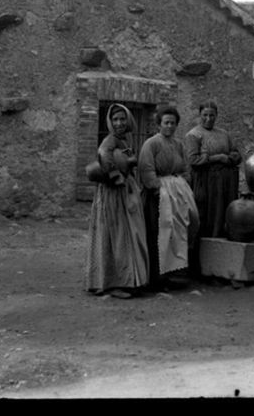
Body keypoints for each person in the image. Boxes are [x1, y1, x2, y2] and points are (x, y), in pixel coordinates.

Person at [86, 103, 149, 300]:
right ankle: (112, 283)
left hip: (123, 193)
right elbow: (104, 155)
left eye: (122, 119)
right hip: (113, 194)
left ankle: (123, 279)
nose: (119, 123)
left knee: (125, 234)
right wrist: (116, 175)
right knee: (115, 234)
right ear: (110, 122)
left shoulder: (124, 139)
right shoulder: (110, 140)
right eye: (115, 120)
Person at [138, 105, 200, 291]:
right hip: (158, 197)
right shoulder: (151, 144)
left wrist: (182, 186)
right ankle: (157, 278)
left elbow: (185, 169)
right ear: (159, 124)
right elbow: (146, 169)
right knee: (159, 234)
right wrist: (160, 191)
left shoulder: (178, 144)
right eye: (166, 123)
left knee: (180, 231)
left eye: (173, 123)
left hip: (177, 194)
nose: (170, 127)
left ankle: (175, 274)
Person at [185, 101, 242, 276]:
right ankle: (202, 268)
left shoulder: (223, 134)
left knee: (225, 217)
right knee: (207, 219)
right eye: (205, 115)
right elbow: (193, 161)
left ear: (216, 116)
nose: (208, 119)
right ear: (199, 115)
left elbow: (236, 153)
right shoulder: (193, 135)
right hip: (206, 183)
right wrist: (218, 157)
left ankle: (222, 265)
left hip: (225, 185)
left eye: (212, 115)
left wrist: (231, 157)